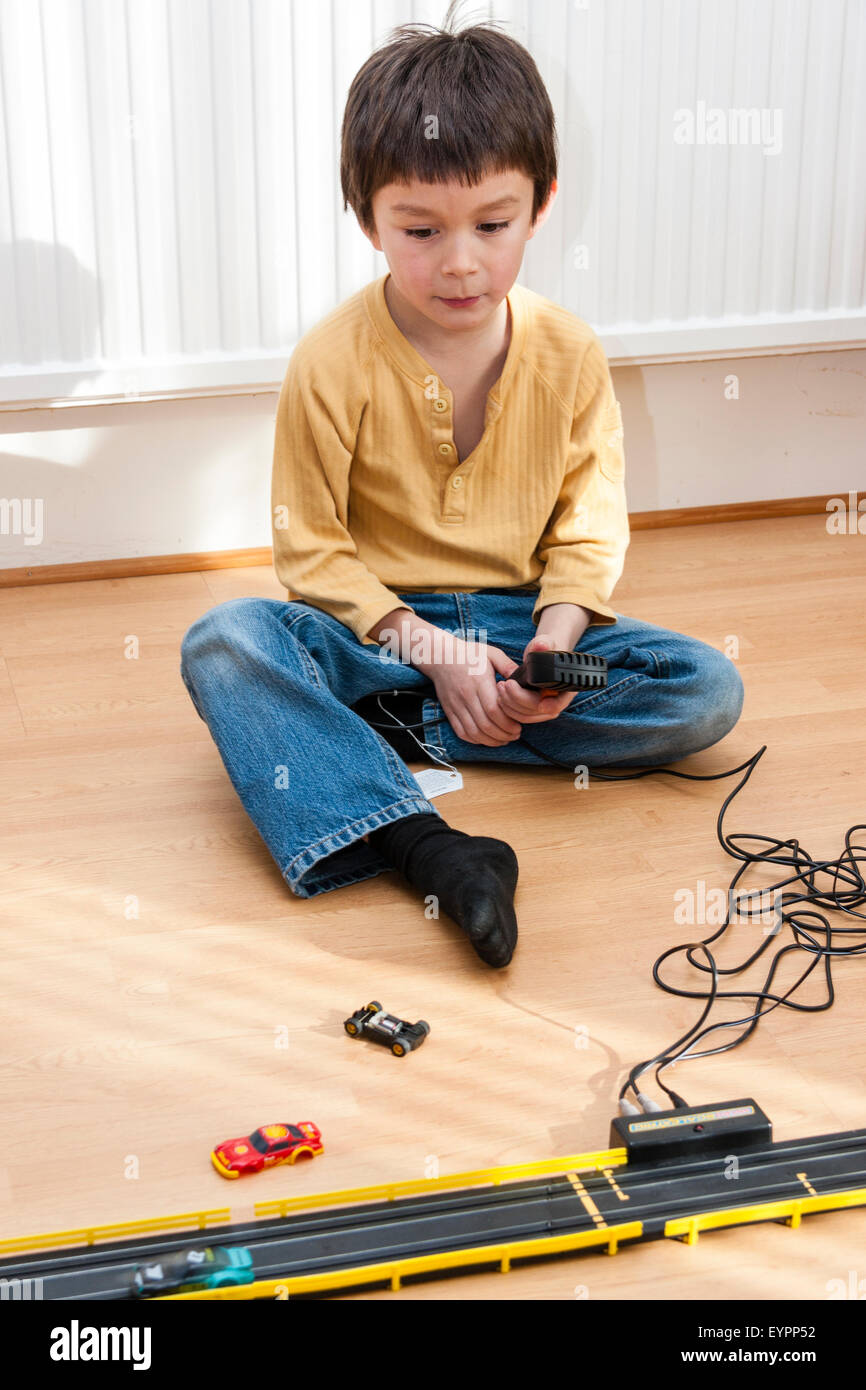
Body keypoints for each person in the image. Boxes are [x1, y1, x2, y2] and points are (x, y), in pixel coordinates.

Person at [180, 8, 744, 970]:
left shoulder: (571, 354)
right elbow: (310, 552)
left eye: (494, 223)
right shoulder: (330, 361)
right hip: (381, 637)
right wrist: (435, 653)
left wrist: (548, 657)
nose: (461, 262)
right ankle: (429, 845)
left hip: (521, 630)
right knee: (227, 641)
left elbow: (588, 526)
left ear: (543, 203)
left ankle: (360, 746)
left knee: (703, 691)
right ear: (367, 219)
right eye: (419, 228)